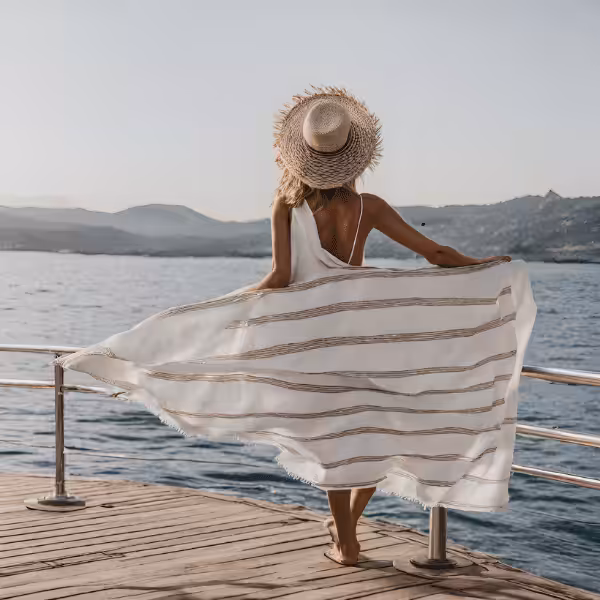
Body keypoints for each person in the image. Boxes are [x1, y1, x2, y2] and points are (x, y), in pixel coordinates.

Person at [58, 86, 536, 566]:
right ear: (354, 158)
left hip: (312, 341)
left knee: (331, 441)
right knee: (384, 433)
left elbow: (281, 279)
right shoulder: (370, 207)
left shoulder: (286, 206)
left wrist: (233, 305)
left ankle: (346, 542)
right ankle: (347, 531)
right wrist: (484, 265)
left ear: (302, 157)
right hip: (365, 338)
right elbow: (436, 255)